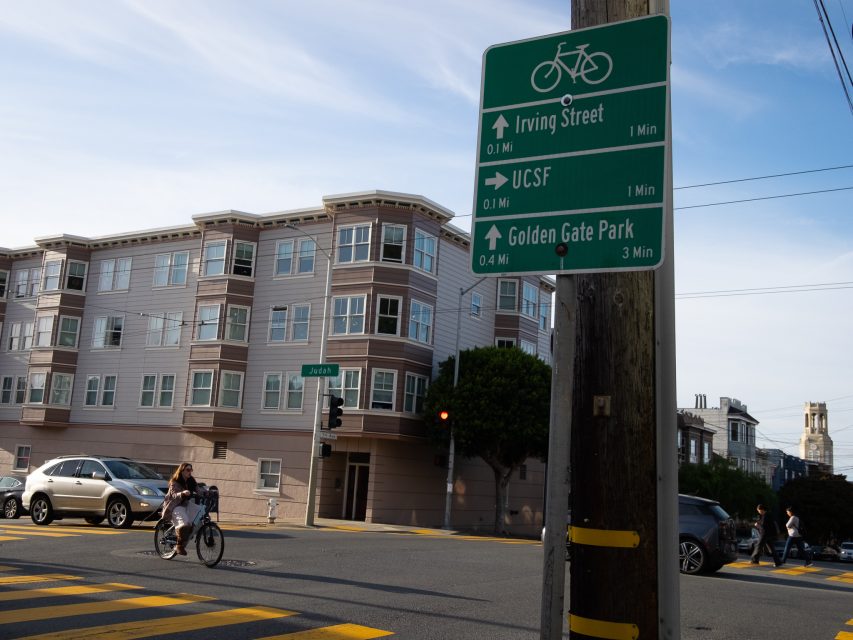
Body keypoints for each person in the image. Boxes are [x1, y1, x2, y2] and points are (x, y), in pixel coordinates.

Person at [162, 462, 205, 555]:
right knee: (185, 524)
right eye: (188, 470)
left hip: (186, 504)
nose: (190, 472)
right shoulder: (175, 481)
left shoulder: (191, 480)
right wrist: (182, 493)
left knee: (200, 512)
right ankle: (179, 545)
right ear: (182, 471)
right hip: (175, 505)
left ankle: (188, 533)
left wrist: (208, 493)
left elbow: (199, 490)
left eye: (191, 470)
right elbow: (173, 495)